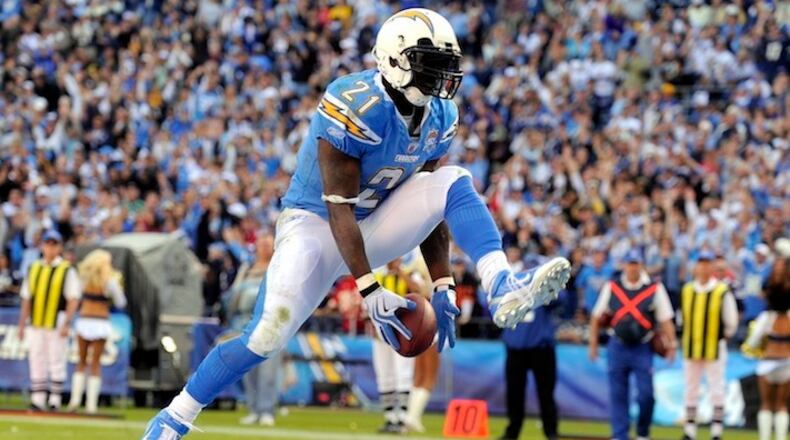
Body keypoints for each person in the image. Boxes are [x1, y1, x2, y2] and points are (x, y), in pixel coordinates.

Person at [143, 8, 570, 439]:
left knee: (452, 179)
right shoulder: (355, 104)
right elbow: (338, 208)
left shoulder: (440, 117)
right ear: (394, 59)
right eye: (430, 63)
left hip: (373, 223)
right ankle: (175, 418)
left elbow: (430, 207)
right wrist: (369, 287)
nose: (441, 76)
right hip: (314, 227)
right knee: (265, 337)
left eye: (445, 64)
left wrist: (443, 284)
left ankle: (501, 283)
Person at [588, 250, 676, 440]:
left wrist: (672, 344)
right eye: (629, 263)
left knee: (646, 395)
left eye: (636, 263)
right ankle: (620, 435)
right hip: (617, 344)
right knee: (618, 394)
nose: (633, 267)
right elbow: (596, 316)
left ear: (641, 265)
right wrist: (593, 343)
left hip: (642, 346)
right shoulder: (613, 286)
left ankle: (643, 432)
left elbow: (666, 318)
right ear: (624, 265)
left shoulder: (654, 288)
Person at [17, 229, 81, 411]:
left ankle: (55, 399)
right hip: (36, 321)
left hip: (57, 319)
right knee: (36, 357)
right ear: (42, 245)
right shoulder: (34, 267)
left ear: (59, 247)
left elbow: (73, 298)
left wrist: (67, 322)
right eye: (47, 244)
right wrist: (22, 324)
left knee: (56, 357)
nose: (50, 248)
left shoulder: (66, 269)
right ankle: (38, 398)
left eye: (54, 244)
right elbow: (27, 297)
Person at [681, 251, 739, 440]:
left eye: (707, 263)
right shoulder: (688, 290)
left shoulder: (721, 290)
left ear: (712, 267)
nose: (704, 267)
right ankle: (690, 431)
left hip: (714, 347)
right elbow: (682, 318)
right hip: (691, 347)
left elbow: (731, 322)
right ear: (695, 267)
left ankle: (716, 431)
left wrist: (720, 336)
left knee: (717, 388)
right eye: (701, 263)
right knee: (691, 388)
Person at [226, 233, 281, 427]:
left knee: (268, 370)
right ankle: (253, 409)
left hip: (269, 323)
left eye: (268, 244)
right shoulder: (247, 269)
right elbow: (233, 295)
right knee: (248, 370)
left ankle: (267, 410)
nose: (265, 248)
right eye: (262, 244)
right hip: (245, 322)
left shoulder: (278, 268)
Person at [67, 249, 126, 414]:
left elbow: (76, 296)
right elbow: (121, 302)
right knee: (95, 364)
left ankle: (75, 401)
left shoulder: (83, 280)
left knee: (81, 361)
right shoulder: (110, 281)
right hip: (100, 321)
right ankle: (91, 406)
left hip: (85, 319)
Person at [371, 256, 423, 434]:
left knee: (403, 373)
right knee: (384, 375)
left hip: (403, 333)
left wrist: (400, 272)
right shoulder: (377, 276)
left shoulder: (409, 273)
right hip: (381, 333)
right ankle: (390, 418)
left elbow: (420, 291)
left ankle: (402, 418)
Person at [742, 250, 790, 440]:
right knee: (782, 404)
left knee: (766, 404)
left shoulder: (766, 319)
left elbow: (752, 343)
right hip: (787, 361)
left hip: (768, 360)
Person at [499, 304, 559, 440]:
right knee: (514, 392)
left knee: (546, 393)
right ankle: (512, 431)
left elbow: (559, 297)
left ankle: (551, 431)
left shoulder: (541, 283)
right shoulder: (509, 285)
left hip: (541, 346)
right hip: (515, 345)